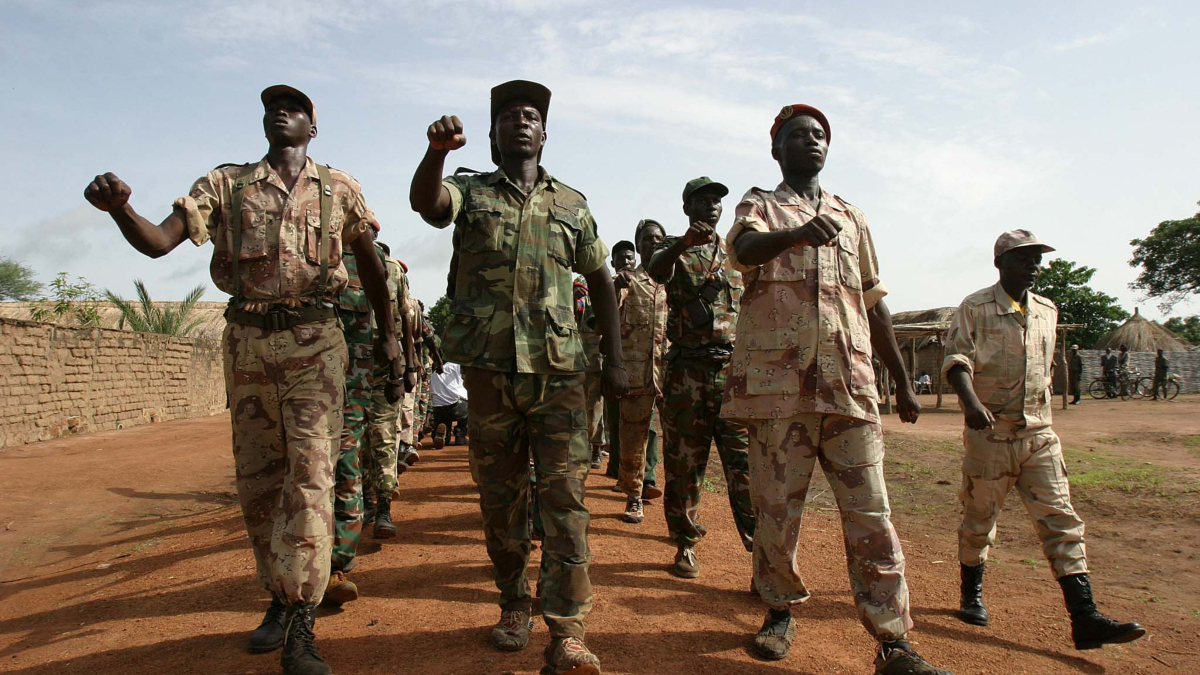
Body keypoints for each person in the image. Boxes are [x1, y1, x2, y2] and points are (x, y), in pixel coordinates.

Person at [84, 85, 403, 675]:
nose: (281, 112)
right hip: (249, 345)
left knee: (310, 476)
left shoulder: (340, 189)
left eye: (295, 107)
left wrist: (389, 336)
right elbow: (157, 243)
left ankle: (303, 623)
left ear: (313, 125)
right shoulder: (225, 184)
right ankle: (278, 598)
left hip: (316, 345)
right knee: (260, 484)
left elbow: (372, 268)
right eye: (272, 106)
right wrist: (120, 210)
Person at [409, 80, 627, 675]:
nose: (520, 123)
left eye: (530, 116)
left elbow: (601, 278)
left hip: (559, 374)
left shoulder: (572, 205)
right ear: (492, 133)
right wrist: (437, 153)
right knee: (501, 498)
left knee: (565, 500)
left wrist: (615, 357)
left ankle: (569, 629)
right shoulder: (470, 191)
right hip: (490, 372)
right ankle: (512, 604)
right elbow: (426, 206)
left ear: (544, 132)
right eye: (508, 116)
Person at [724, 103, 949, 675]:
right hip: (781, 393)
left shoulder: (853, 216)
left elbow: (874, 302)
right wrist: (795, 233)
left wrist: (902, 381)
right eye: (798, 135)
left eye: (820, 134)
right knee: (777, 512)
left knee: (873, 514)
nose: (812, 141)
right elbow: (743, 253)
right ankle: (778, 610)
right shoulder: (760, 205)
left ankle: (894, 642)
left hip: (850, 390)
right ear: (777, 149)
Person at [943, 229, 1146, 652]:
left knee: (1061, 520)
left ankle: (1085, 617)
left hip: (1039, 435)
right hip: (991, 436)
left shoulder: (1047, 310)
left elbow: (1050, 366)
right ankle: (971, 594)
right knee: (979, 521)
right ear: (1000, 263)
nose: (1033, 266)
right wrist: (970, 403)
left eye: (1037, 259)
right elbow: (956, 360)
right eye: (1024, 259)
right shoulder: (975, 307)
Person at [648, 177, 755, 580]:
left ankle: (759, 547)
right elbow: (657, 271)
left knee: (744, 466)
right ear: (687, 207)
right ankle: (685, 543)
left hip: (731, 371)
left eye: (716, 201)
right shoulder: (671, 248)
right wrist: (682, 245)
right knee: (685, 464)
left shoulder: (735, 253)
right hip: (686, 373)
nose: (712, 206)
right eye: (703, 200)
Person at [614, 219, 670, 523]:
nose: (653, 243)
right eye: (647, 239)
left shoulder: (675, 279)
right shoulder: (626, 280)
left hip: (670, 372)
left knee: (675, 439)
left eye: (659, 238)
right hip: (636, 374)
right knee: (632, 438)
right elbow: (607, 313)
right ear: (638, 245)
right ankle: (633, 496)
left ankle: (673, 499)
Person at [362, 248, 417, 539]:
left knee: (383, 436)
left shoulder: (393, 271)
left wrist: (408, 367)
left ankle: (383, 506)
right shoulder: (333, 261)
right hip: (346, 368)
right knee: (354, 442)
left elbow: (406, 319)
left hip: (385, 367)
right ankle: (363, 503)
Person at [603, 240, 636, 480]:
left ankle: (642, 478)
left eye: (630, 257)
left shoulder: (648, 284)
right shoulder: (606, 288)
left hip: (643, 362)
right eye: (621, 258)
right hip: (616, 362)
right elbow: (596, 324)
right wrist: (613, 288)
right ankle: (615, 467)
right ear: (613, 263)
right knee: (614, 420)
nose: (626, 262)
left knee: (646, 425)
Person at [574, 278, 608, 470]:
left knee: (595, 406)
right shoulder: (576, 291)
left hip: (596, 359)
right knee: (577, 405)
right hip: (576, 359)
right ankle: (582, 447)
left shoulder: (604, 292)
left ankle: (596, 448)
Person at [431, 361, 469, 447]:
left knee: (443, 421)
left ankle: (443, 434)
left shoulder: (435, 371)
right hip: (457, 407)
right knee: (470, 404)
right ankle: (460, 435)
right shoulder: (459, 366)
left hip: (438, 408)